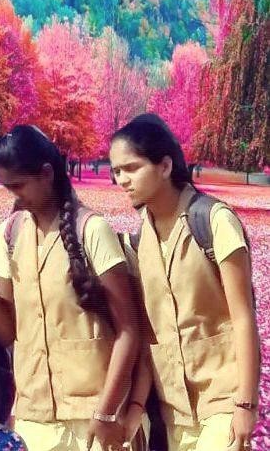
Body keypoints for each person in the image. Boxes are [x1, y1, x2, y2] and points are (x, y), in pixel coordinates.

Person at [0, 125, 141, 451]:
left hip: (92, 417)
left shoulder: (91, 230)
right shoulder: (10, 234)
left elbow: (129, 330)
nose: (14, 196)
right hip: (35, 418)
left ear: (46, 174)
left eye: (18, 185)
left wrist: (105, 412)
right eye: (7, 187)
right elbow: (8, 333)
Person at [109, 114, 260, 451]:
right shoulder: (141, 241)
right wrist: (136, 407)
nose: (122, 180)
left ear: (164, 166)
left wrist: (245, 405)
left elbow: (243, 317)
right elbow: (149, 335)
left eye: (131, 168)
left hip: (223, 400)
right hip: (174, 413)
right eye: (116, 171)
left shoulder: (214, 221)